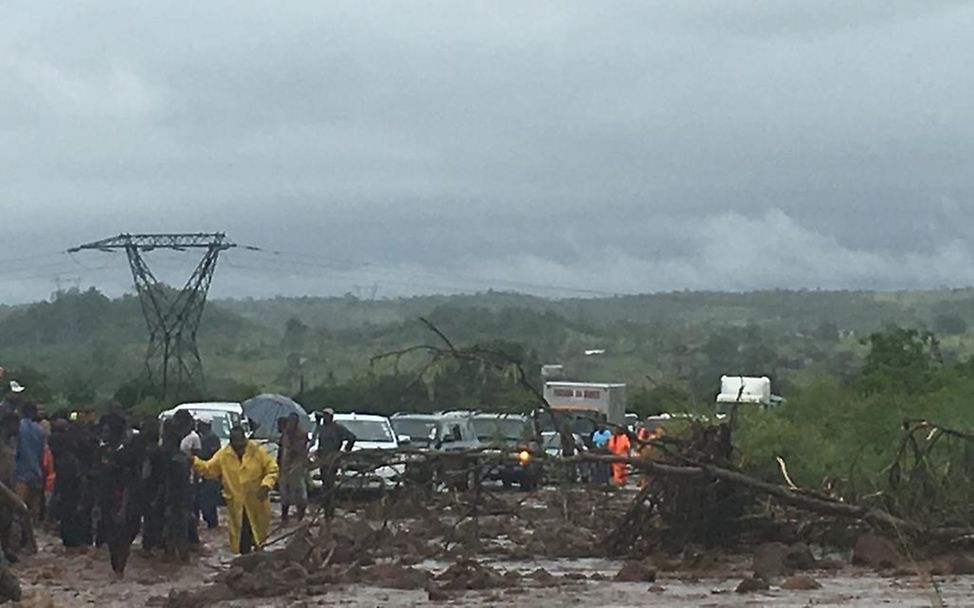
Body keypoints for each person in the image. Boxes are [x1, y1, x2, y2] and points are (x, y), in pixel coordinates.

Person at [192, 427, 278, 555]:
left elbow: (272, 469)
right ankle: (244, 562)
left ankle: (256, 560)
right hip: (236, 504)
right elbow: (209, 469)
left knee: (258, 537)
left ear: (245, 439)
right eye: (235, 444)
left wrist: (266, 485)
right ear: (231, 442)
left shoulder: (257, 451)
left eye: (241, 443)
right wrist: (194, 461)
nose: (239, 447)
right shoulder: (224, 455)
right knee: (242, 538)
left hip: (256, 501)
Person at [14, 402, 44, 553]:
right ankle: (31, 543)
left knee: (18, 510)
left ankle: (23, 544)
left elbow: (15, 452)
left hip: (21, 474)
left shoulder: (17, 428)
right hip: (36, 474)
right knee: (31, 513)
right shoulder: (40, 430)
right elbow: (41, 454)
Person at [314, 409, 355, 519]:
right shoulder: (322, 428)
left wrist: (345, 451)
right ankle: (326, 509)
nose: (326, 417)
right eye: (324, 415)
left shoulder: (337, 428)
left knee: (329, 484)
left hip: (333, 458)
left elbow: (352, 438)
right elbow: (317, 440)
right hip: (323, 459)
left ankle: (330, 510)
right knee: (325, 483)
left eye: (328, 416)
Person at [0, 413, 22, 562]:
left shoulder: (10, 444)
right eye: (16, 425)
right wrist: (14, 497)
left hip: (7, 495)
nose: (19, 429)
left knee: (6, 525)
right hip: (4, 493)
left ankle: (6, 550)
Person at [278, 414, 309, 523]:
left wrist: (291, 446)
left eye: (292, 422)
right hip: (284, 467)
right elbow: (280, 451)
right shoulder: (285, 434)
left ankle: (300, 517)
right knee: (284, 493)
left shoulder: (301, 435)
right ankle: (284, 517)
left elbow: (301, 451)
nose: (290, 424)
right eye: (289, 422)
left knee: (299, 493)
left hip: (297, 467)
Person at [195, 420, 221, 529]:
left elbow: (206, 455)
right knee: (206, 501)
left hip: (211, 475)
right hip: (205, 474)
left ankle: (212, 523)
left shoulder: (211, 438)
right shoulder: (205, 437)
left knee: (208, 502)